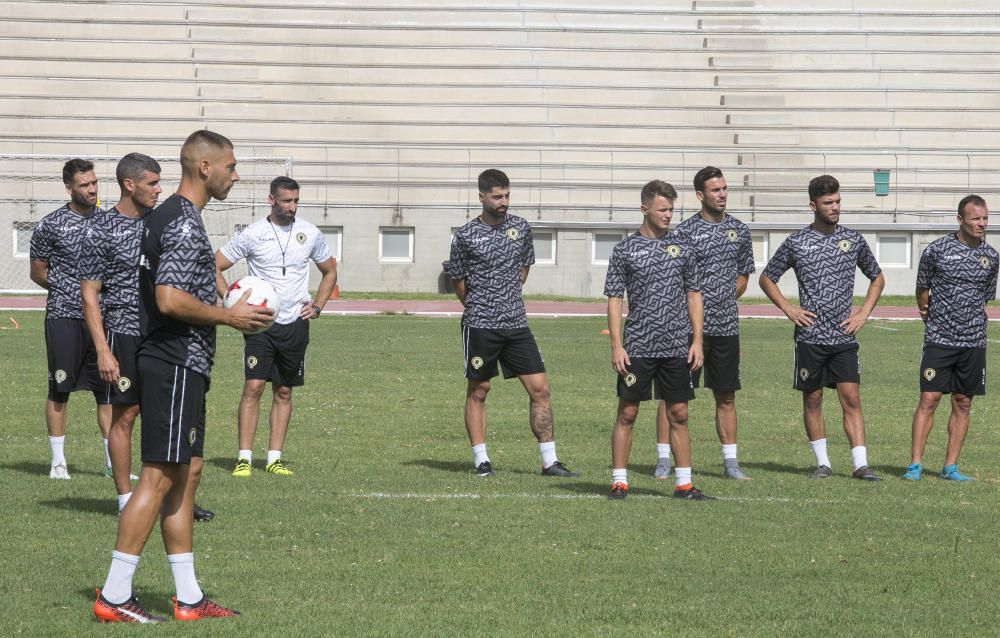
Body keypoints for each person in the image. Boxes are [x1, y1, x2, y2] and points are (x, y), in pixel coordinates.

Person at [94, 130, 272, 623]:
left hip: (187, 365)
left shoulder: (177, 217)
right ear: (204, 168)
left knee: (187, 476)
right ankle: (114, 595)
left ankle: (189, 599)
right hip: (172, 361)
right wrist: (229, 316)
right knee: (156, 478)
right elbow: (168, 299)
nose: (236, 175)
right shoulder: (181, 222)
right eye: (231, 166)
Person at [444, 168, 577, 478]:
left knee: (541, 389)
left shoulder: (520, 227)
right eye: (497, 197)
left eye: (506, 196)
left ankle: (549, 461)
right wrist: (481, 305)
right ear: (481, 197)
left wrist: (507, 298)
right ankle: (481, 460)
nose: (503, 202)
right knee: (479, 390)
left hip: (517, 323)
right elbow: (459, 282)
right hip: (480, 324)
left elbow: (524, 268)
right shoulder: (465, 236)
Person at [759, 175, 885, 481]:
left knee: (851, 397)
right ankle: (823, 463)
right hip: (810, 337)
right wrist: (788, 309)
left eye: (838, 201)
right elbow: (766, 277)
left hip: (843, 336)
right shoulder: (796, 242)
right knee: (812, 398)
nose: (835, 207)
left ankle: (860, 465)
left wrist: (863, 314)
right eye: (829, 202)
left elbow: (877, 277)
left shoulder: (853, 240)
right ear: (813, 205)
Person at [215, 176, 338, 477]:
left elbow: (330, 271)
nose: (292, 207)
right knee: (254, 386)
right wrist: (231, 301)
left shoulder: (309, 233)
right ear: (271, 200)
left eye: (296, 201)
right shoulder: (253, 234)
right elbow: (214, 264)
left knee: (284, 391)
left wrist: (318, 306)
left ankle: (274, 459)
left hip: (295, 322)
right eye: (286, 201)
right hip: (259, 323)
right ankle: (244, 457)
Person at [604, 180, 711, 500]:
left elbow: (694, 295)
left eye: (671, 210)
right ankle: (619, 482)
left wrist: (697, 340)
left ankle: (684, 484)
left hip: (677, 347)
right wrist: (617, 345)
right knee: (628, 413)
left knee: (679, 413)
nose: (668, 215)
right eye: (663, 209)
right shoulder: (625, 249)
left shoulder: (683, 248)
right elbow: (613, 298)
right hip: (637, 346)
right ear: (645, 209)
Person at [902, 195, 998, 482]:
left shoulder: (991, 256)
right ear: (960, 220)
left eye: (985, 218)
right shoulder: (936, 251)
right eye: (975, 218)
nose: (982, 224)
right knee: (929, 399)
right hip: (939, 339)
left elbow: (985, 297)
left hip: (973, 343)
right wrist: (929, 317)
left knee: (963, 402)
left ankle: (950, 467)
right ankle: (915, 465)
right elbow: (922, 290)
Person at [29, 159, 112, 479]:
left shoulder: (109, 222)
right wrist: (69, 290)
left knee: (107, 391)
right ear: (69, 188)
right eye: (84, 185)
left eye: (94, 183)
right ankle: (58, 462)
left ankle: (110, 462)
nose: (91, 189)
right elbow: (38, 272)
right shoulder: (51, 224)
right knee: (60, 388)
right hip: (64, 316)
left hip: (103, 319)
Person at [671, 166, 755, 480]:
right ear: (700, 195)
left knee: (727, 395)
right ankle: (665, 459)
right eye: (715, 190)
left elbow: (744, 274)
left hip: (726, 328)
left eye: (724, 189)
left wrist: (723, 296)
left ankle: (731, 463)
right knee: (677, 396)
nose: (722, 195)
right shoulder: (683, 232)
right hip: (689, 330)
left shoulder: (739, 230)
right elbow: (674, 277)